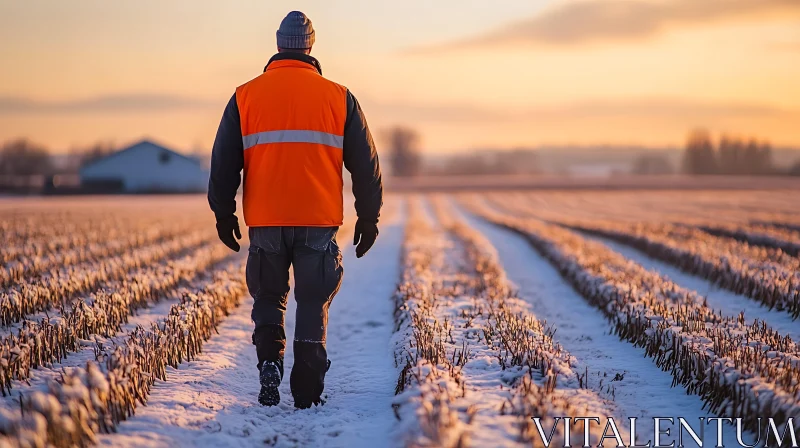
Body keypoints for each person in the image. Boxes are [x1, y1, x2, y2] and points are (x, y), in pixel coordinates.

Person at [207, 10, 383, 409]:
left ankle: (269, 361)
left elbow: (223, 162)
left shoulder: (245, 95)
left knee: (269, 296)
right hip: (317, 221)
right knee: (312, 299)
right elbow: (366, 164)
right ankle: (306, 388)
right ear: (310, 46)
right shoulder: (339, 97)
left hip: (266, 219)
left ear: (278, 45)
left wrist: (223, 213)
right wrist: (368, 217)